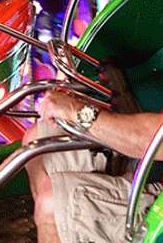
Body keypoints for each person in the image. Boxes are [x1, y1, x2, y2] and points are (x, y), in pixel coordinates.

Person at [24, 90, 163, 243]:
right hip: (151, 160)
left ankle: (61, 228)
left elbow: (155, 141)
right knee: (38, 140)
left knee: (52, 207)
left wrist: (78, 111)